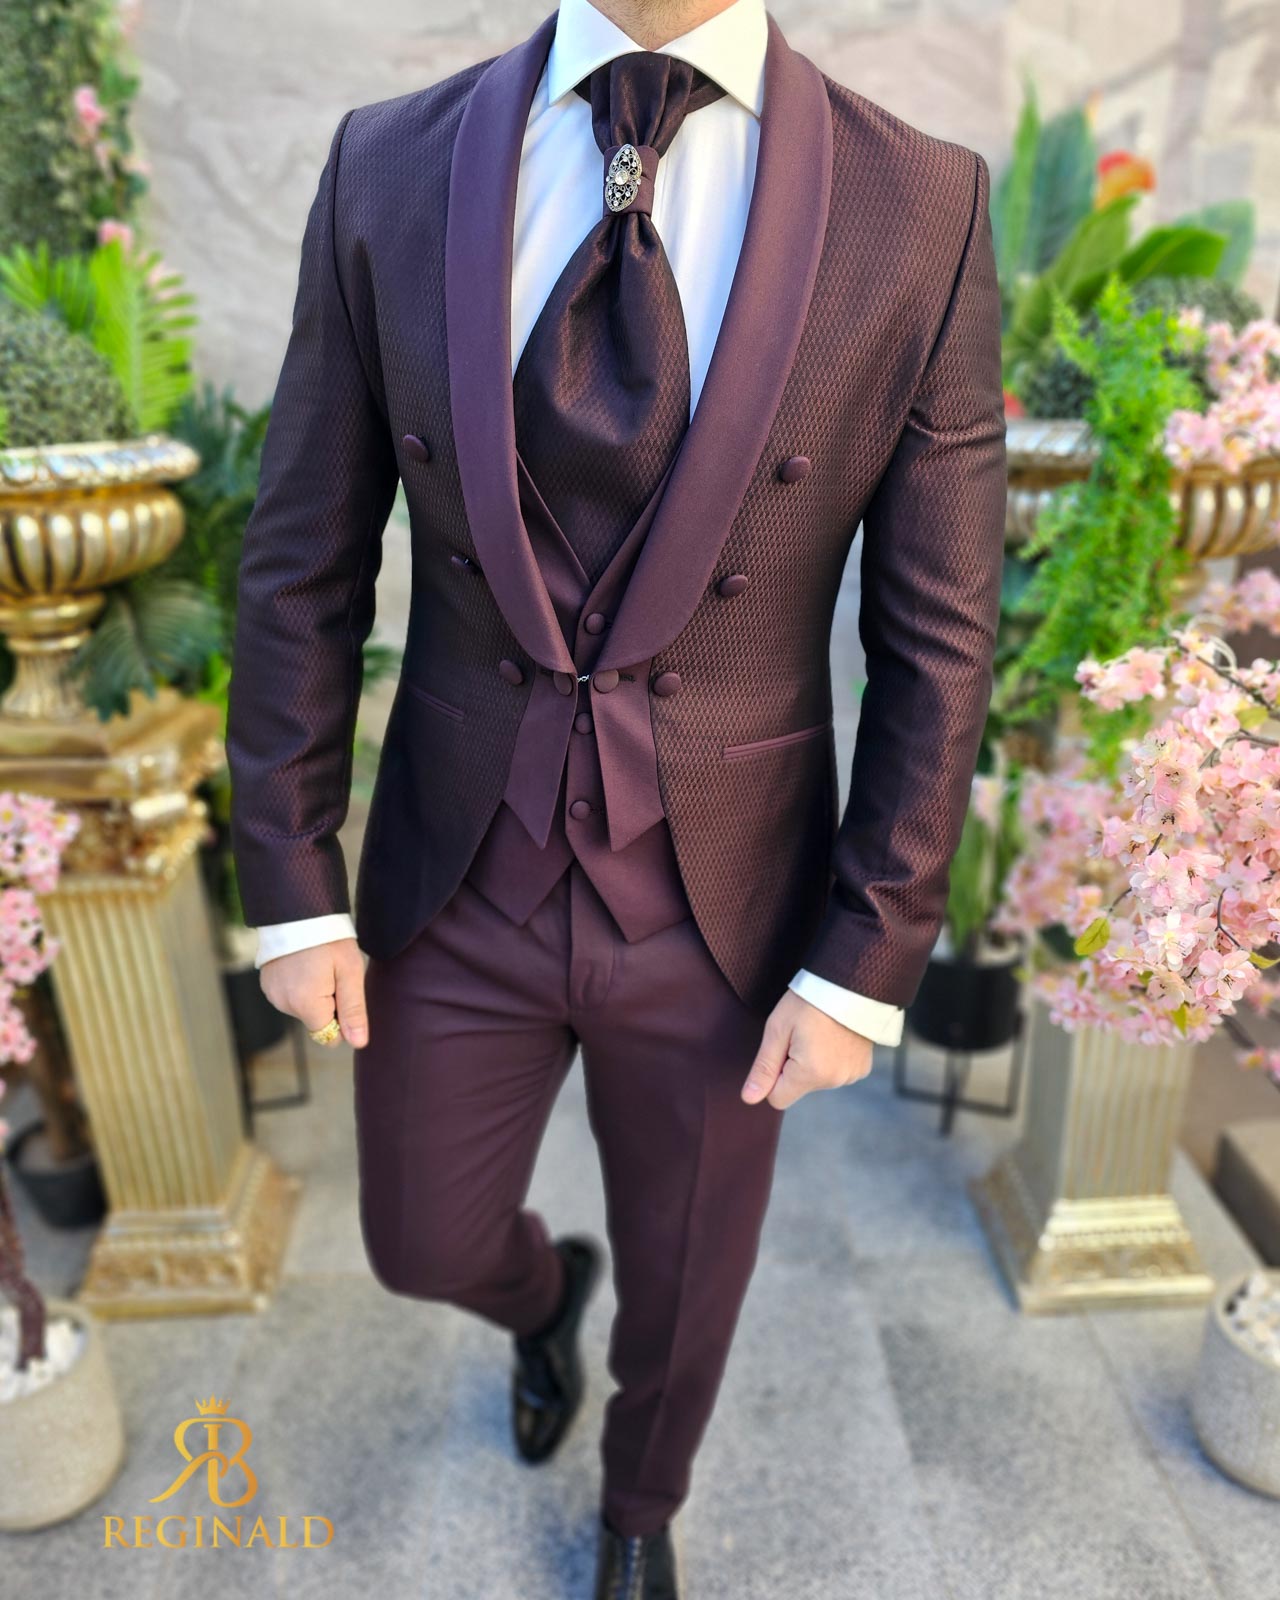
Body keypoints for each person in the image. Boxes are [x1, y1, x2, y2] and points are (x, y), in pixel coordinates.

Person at [225, 0, 1006, 1592]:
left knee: (690, 1274)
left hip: (723, 887)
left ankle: (642, 1508)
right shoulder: (388, 163)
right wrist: (293, 883)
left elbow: (940, 632)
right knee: (420, 1241)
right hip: (461, 862)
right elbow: (301, 559)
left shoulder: (919, 199)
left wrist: (867, 956)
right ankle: (539, 1297)